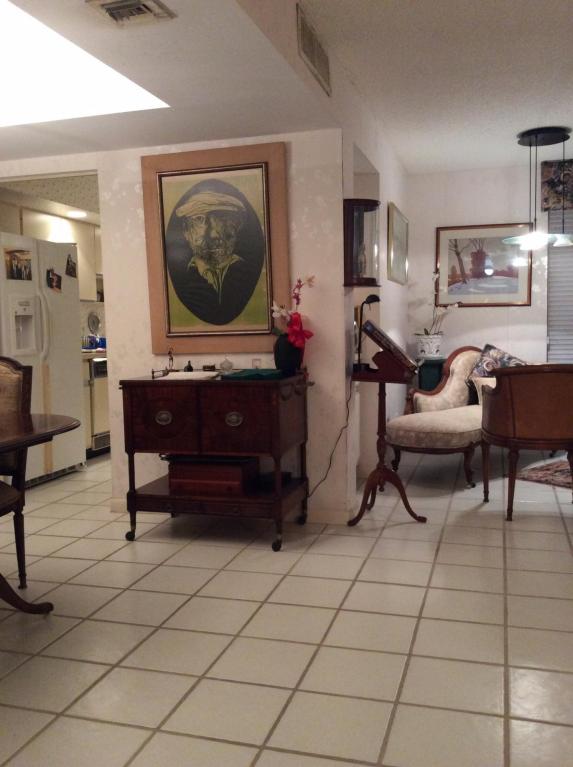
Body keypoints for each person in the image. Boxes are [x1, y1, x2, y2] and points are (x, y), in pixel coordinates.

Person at [165, 184, 265, 326]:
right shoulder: (185, 277)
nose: (213, 234)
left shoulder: (245, 272)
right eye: (199, 219)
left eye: (222, 219)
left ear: (237, 227)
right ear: (186, 231)